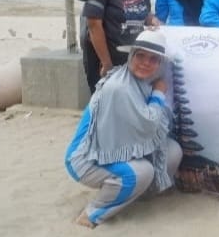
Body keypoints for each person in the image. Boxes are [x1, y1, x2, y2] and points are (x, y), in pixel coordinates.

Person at [65, 30, 182, 228]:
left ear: (160, 64)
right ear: (131, 56)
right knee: (141, 172)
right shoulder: (120, 88)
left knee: (172, 151)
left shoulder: (142, 82)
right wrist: (159, 94)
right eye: (140, 56)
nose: (146, 63)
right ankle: (92, 213)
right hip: (86, 157)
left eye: (153, 59)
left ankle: (138, 194)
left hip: (114, 147)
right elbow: (150, 124)